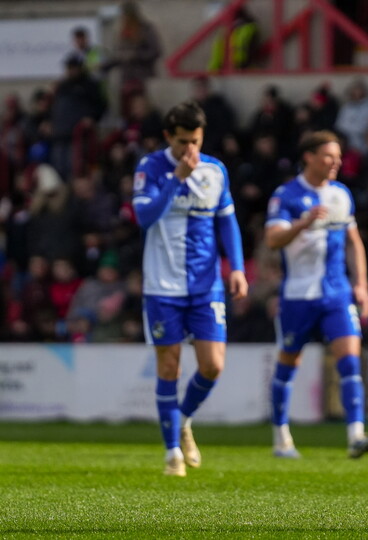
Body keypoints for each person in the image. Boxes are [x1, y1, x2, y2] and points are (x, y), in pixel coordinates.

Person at [132, 101, 248, 476]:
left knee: (213, 365)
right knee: (169, 366)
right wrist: (177, 178)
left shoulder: (216, 170)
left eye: (195, 142)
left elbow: (227, 222)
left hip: (206, 285)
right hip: (162, 285)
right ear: (169, 137)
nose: (190, 151)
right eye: (183, 142)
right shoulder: (151, 168)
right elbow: (145, 217)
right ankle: (171, 454)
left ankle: (183, 420)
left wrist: (238, 268)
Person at [263, 130, 368, 459]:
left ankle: (356, 434)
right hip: (298, 294)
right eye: (329, 156)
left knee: (349, 361)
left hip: (336, 293)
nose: (336, 163)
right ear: (309, 157)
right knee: (288, 363)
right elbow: (273, 240)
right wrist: (303, 223)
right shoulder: (286, 195)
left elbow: (353, 241)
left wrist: (360, 285)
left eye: (339, 157)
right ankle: (281, 437)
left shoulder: (341, 195)